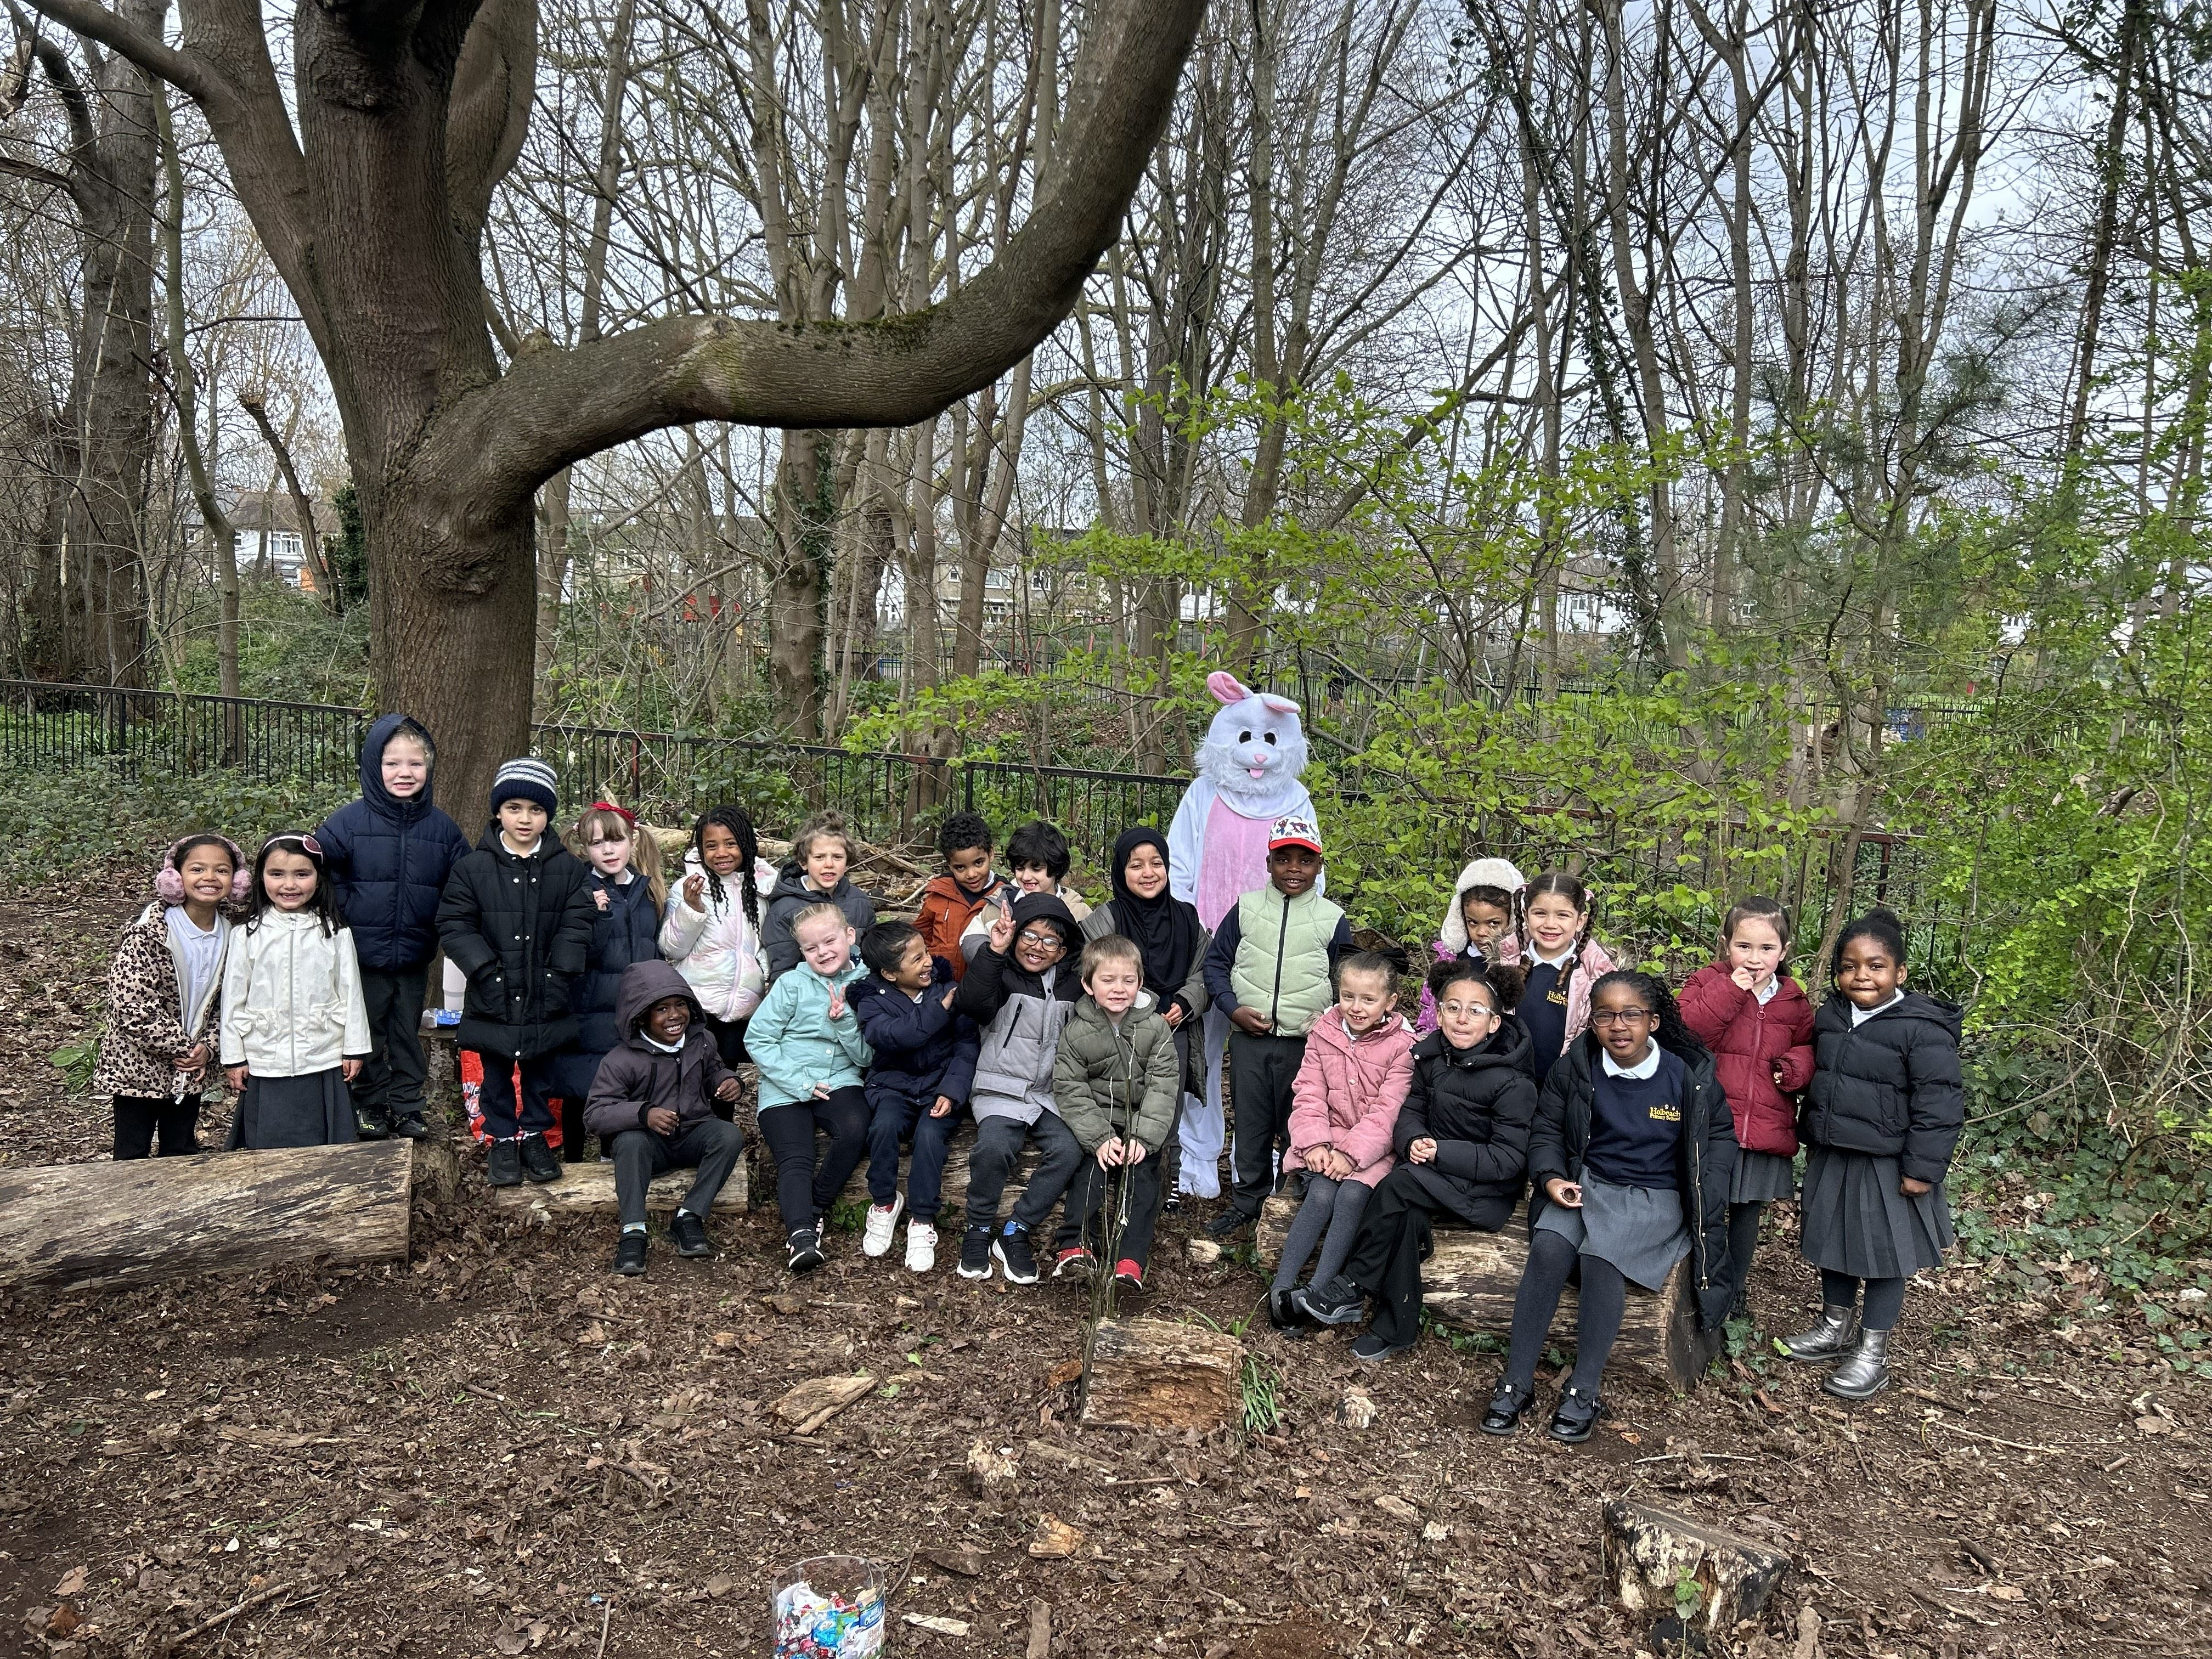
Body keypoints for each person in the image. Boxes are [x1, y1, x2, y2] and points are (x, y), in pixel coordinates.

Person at [1480, 970, 1734, 1442]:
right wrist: (1552, 1177)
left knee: (1602, 1259)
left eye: (1631, 1015)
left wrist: (1706, 1189)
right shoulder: (1576, 1068)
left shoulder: (1686, 1076)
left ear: (1653, 1021)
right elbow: (1547, 1130)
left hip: (1653, 1195)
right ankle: (1517, 1380)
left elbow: (1719, 1138)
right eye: (1605, 1016)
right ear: (1592, 1022)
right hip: (1587, 1183)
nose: (1618, 1026)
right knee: (1549, 1248)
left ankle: (1584, 1389)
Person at [1294, 966, 1535, 1362]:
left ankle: (1354, 1283)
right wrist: (1413, 1140)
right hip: (1433, 1177)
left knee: (1397, 1185)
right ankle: (1397, 1328)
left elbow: (1508, 1160)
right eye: (1453, 1008)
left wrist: (1441, 1152)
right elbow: (1410, 1112)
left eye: (1475, 1011)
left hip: (1483, 1192)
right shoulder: (1431, 1058)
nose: (1462, 1018)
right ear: (1438, 1014)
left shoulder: (1513, 1082)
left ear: (1494, 1023)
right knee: (1403, 1216)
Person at [1780, 909, 1961, 1400]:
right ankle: (1834, 1327)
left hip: (1888, 1162)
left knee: (1885, 1256)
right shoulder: (1833, 1017)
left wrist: (1922, 1169)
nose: (1861, 976)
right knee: (1832, 1243)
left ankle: (1872, 1352)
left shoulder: (1922, 1029)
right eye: (1849, 966)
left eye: (1876, 966)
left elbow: (1940, 1104)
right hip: (1834, 1152)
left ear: (1900, 973)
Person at [436, 758, 597, 1187]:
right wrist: (486, 971)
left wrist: (558, 974)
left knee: (541, 1072)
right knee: (496, 1072)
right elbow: (454, 924)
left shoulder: (567, 869)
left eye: (536, 810)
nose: (525, 819)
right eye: (515, 808)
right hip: (494, 992)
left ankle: (535, 1137)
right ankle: (503, 1139)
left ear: (548, 815)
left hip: (546, 992)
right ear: (498, 811)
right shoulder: (472, 868)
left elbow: (578, 922)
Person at [313, 715, 470, 1140]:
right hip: (361, 956)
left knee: (407, 1033)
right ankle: (368, 1104)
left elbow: (464, 884)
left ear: (428, 769)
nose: (405, 773)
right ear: (373, 766)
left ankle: (406, 1106)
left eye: (415, 764)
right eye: (393, 764)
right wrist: (344, 911)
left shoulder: (443, 830)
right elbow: (317, 873)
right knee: (368, 1033)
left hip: (416, 955)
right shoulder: (348, 823)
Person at [1200, 814, 1355, 1239]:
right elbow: (1216, 964)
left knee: (1298, 1124)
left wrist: (1327, 1024)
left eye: (1305, 861)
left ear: (1319, 866)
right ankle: (1247, 1203)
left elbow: (1346, 980)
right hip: (1250, 1041)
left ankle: (1288, 1201)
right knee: (1250, 1124)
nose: (1293, 869)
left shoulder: (1332, 918)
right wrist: (1232, 1009)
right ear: (1268, 863)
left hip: (1306, 1045)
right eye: (1283, 860)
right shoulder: (1247, 908)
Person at [1678, 896, 1816, 1318]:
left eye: (1767, 948)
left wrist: (1796, 1068)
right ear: (1726, 944)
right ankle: (1691, 1284)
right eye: (1744, 946)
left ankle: (1734, 1292)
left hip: (1763, 1127)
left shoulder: (1793, 1000)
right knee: (1701, 1203)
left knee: (1746, 1212)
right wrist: (1730, 991)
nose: (1754, 959)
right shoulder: (1707, 982)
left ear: (1784, 951)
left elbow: (1808, 1047)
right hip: (1712, 1121)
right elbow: (1686, 1035)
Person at [1268, 951, 1416, 1327]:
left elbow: (1389, 1111)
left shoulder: (1403, 1045)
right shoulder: (1325, 1032)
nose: (1356, 1007)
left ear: (1390, 1002)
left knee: (1351, 1196)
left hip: (1375, 1150)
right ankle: (1281, 1288)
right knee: (1320, 1194)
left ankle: (1317, 1294)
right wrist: (1315, 1143)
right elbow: (1309, 1093)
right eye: (1348, 996)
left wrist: (1351, 1155)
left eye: (1368, 999)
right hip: (1327, 1140)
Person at [951, 891, 1086, 1283]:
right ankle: (978, 1228)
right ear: (1015, 936)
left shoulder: (1074, 985)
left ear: (1062, 952)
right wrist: (996, 951)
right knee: (993, 1148)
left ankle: (1016, 1229)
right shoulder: (1002, 973)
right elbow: (972, 1003)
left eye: (1050, 942)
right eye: (1029, 935)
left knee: (1069, 1150)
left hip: (1049, 1094)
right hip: (1001, 1086)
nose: (1037, 947)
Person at [583, 960, 746, 1276]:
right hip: (649, 1147)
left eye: (681, 1005)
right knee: (630, 1142)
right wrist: (643, 1114)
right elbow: (595, 1115)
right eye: (662, 1009)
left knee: (729, 1135)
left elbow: (713, 1071)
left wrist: (728, 1081)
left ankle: (689, 1216)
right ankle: (633, 1231)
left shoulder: (702, 1041)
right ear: (641, 1016)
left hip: (692, 1135)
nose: (675, 1016)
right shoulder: (621, 1060)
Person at [1079, 827, 1211, 1207]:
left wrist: (1186, 1001)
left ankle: (1166, 1178)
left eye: (1156, 863)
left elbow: (1206, 969)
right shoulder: (1105, 921)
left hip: (1175, 1026)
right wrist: (1144, 1005)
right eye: (1136, 865)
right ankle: (1115, 1176)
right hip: (1120, 1028)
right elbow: (1091, 973)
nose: (1148, 873)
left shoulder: (1186, 917)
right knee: (1122, 1100)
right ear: (1121, 871)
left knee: (1166, 1104)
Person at [95, 834, 247, 1159]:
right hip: (139, 1066)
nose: (210, 877)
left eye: (222, 870)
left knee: (180, 1150)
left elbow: (230, 1002)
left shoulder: (234, 936)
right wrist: (183, 1048)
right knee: (131, 1152)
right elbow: (133, 1004)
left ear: (237, 881)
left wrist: (208, 1048)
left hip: (192, 1068)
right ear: (175, 878)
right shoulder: (150, 932)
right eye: (197, 869)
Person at [219, 833, 373, 1149]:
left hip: (323, 1055)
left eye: (302, 874)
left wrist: (354, 1049)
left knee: (322, 1144)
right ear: (261, 878)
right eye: (277, 874)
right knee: (270, 1147)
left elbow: (352, 994)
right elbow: (233, 1000)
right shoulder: (246, 935)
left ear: (319, 878)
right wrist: (234, 1057)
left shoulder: (335, 933)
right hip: (265, 1057)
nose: (289, 885)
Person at [746, 901, 876, 1271]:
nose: (823, 952)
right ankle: (801, 1236)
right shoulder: (791, 984)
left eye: (830, 941)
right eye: (811, 947)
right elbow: (758, 1039)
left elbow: (867, 1057)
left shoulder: (867, 985)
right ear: (802, 951)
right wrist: (798, 1082)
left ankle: (815, 1206)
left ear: (850, 936)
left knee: (856, 1129)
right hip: (786, 1082)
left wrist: (844, 1022)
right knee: (796, 1155)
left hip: (840, 1080)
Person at [1049, 935, 1183, 1290]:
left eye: (1128, 980)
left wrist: (1143, 1137)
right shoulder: (1077, 1032)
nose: (1119, 989)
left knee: (1142, 1181)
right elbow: (1071, 1088)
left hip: (1140, 1124)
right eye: (1108, 980)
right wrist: (1099, 1137)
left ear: (1140, 983)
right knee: (1088, 1172)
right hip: (1099, 1121)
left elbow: (1163, 1085)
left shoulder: (1155, 1028)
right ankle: (1077, 1248)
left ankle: (1129, 1261)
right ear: (1088, 985)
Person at [849, 922, 980, 1273]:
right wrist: (938, 1012)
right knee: (884, 1127)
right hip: (892, 1085)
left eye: (926, 953)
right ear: (890, 974)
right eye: (917, 959)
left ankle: (923, 1219)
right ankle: (884, 1202)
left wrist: (951, 1092)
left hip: (940, 1086)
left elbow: (967, 1047)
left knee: (930, 1135)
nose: (928, 962)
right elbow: (892, 1037)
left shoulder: (948, 989)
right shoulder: (871, 1000)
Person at [550, 801, 667, 1159]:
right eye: (598, 843)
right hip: (588, 1008)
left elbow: (654, 945)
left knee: (623, 1086)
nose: (608, 850)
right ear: (585, 848)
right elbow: (577, 952)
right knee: (580, 1085)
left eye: (616, 841)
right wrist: (595, 915)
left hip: (633, 1010)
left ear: (632, 841)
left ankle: (610, 1155)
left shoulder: (647, 890)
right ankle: (573, 1159)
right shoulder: (579, 889)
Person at [659, 804, 781, 1071]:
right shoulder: (688, 888)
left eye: (731, 844)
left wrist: (761, 969)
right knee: (689, 1078)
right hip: (697, 1007)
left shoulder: (762, 890)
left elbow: (765, 944)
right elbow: (672, 949)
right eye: (712, 846)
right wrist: (691, 909)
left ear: (746, 845)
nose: (722, 853)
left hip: (740, 1009)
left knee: (725, 1081)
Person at [1512, 871, 1617, 1085]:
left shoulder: (1595, 978)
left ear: (1580, 921)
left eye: (1563, 915)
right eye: (1540, 913)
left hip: (1565, 1086)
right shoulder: (1504, 965)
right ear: (1526, 915)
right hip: (1509, 1083)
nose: (1550, 924)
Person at [761, 810, 878, 981]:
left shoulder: (859, 901)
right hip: (809, 994)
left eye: (837, 857)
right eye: (820, 857)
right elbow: (784, 974)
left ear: (847, 863)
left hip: (859, 989)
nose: (829, 864)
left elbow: (874, 956)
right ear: (804, 862)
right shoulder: (783, 910)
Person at [1416, 857, 1523, 1036]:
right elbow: (1430, 1003)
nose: (1481, 932)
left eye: (1493, 923)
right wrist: (1426, 1036)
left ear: (1512, 919)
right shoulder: (1451, 957)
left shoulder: (1519, 962)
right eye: (1472, 922)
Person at [960, 820, 1091, 962]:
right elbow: (969, 941)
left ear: (1056, 868)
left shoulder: (1078, 910)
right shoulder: (1001, 904)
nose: (1026, 877)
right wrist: (996, 953)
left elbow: (1092, 958)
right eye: (1020, 868)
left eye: (1036, 869)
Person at [913, 811, 1009, 980]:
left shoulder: (1005, 897)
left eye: (978, 863)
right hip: (939, 986)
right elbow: (919, 939)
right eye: (960, 868)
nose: (971, 874)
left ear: (991, 854)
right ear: (950, 865)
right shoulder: (939, 894)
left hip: (986, 987)